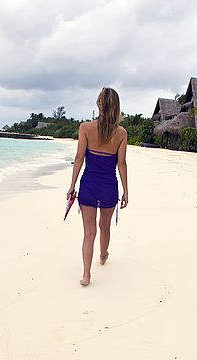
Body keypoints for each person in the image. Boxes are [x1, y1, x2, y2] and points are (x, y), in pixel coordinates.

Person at [66, 87, 129, 286]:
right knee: (105, 226)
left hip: (89, 185)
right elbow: (121, 163)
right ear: (117, 107)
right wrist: (126, 190)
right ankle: (103, 255)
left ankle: (86, 275)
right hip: (109, 185)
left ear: (99, 105)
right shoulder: (121, 133)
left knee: (89, 232)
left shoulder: (85, 128)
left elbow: (78, 159)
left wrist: (72, 185)